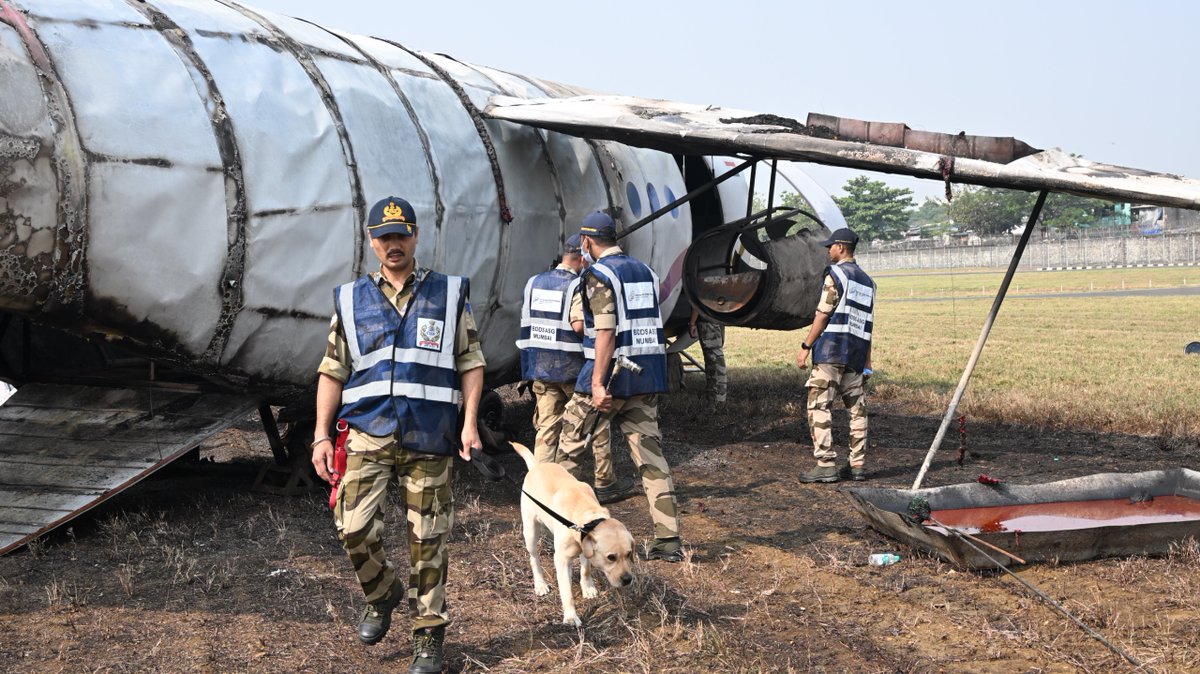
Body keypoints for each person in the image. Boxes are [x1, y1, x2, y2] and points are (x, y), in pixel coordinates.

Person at [312, 196, 485, 674]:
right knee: (353, 526)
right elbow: (332, 371)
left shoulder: (448, 294)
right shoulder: (350, 299)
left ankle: (428, 634)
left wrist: (469, 423)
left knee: (429, 537)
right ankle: (383, 590)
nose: (393, 244)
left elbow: (470, 361)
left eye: (401, 234)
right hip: (367, 431)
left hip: (430, 434)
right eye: (384, 236)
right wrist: (321, 436)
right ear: (371, 241)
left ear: (416, 236)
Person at [555, 212, 684, 562]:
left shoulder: (598, 275)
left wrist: (596, 382)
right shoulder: (646, 271)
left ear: (586, 242)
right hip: (644, 379)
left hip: (609, 380)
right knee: (652, 461)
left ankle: (563, 534)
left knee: (567, 453)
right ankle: (669, 541)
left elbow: (606, 331)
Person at [517, 235, 612, 480]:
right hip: (572, 369)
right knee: (591, 424)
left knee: (546, 428)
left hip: (540, 367)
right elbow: (578, 325)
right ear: (581, 258)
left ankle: (541, 484)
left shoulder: (533, 283)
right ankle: (602, 478)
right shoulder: (576, 285)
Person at [795, 227, 875, 484]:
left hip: (831, 352)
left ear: (841, 247)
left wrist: (806, 346)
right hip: (856, 355)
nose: (828, 250)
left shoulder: (836, 274)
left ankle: (826, 464)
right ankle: (858, 465)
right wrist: (867, 361)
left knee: (819, 405)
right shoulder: (869, 282)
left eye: (831, 246)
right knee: (857, 410)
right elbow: (867, 324)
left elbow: (823, 314)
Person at [688, 304, 727, 404]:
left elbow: (698, 301)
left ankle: (716, 399)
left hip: (707, 319)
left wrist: (692, 322)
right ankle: (718, 397)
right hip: (717, 318)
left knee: (713, 360)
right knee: (716, 357)